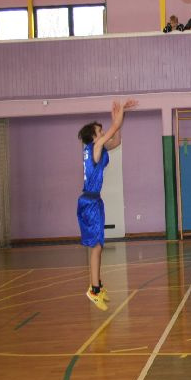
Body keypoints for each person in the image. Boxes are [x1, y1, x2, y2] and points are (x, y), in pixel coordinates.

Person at [77, 98, 138, 311]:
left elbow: (116, 140)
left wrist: (117, 119)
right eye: (100, 131)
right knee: (96, 247)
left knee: (98, 247)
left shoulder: (97, 149)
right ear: (94, 137)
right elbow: (113, 130)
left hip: (93, 201)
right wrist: (119, 114)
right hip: (90, 202)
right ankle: (94, 290)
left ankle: (97, 285)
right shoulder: (94, 148)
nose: (103, 133)